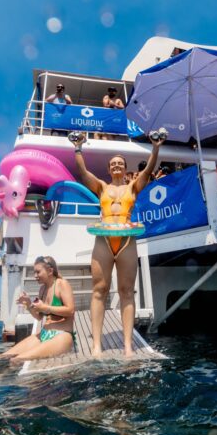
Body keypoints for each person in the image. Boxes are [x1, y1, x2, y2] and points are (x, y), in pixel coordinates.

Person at [70, 131, 165, 357]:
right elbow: (83, 174)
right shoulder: (102, 187)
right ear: (109, 169)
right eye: (112, 164)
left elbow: (148, 170)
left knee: (126, 292)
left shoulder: (132, 187)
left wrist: (155, 148)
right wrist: (77, 148)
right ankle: (96, 347)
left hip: (126, 240)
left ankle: (128, 347)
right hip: (103, 239)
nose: (115, 166)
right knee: (99, 290)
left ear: (124, 168)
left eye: (119, 163)